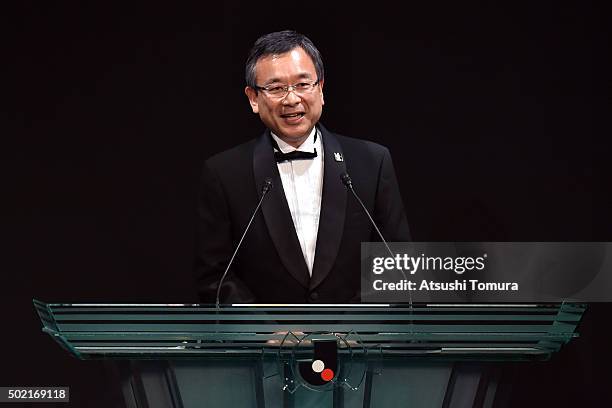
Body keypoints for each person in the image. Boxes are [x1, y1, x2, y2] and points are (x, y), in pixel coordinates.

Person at [195, 30, 410, 304]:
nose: (291, 99)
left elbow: (398, 264)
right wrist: (267, 333)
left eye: (302, 84)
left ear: (320, 89)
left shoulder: (372, 162)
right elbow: (215, 278)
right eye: (275, 88)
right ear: (253, 98)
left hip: (356, 341)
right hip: (266, 344)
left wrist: (351, 329)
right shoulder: (224, 174)